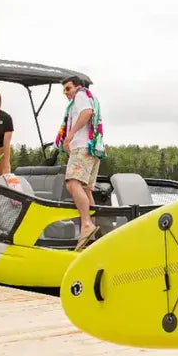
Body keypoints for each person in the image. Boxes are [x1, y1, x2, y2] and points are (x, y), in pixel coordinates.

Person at [59, 75, 106, 250]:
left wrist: (70, 135)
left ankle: (86, 224)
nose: (66, 93)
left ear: (77, 87)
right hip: (92, 148)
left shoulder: (80, 95)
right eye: (64, 90)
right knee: (85, 188)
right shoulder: (89, 97)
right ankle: (92, 233)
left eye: (68, 88)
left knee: (72, 183)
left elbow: (87, 113)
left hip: (82, 147)